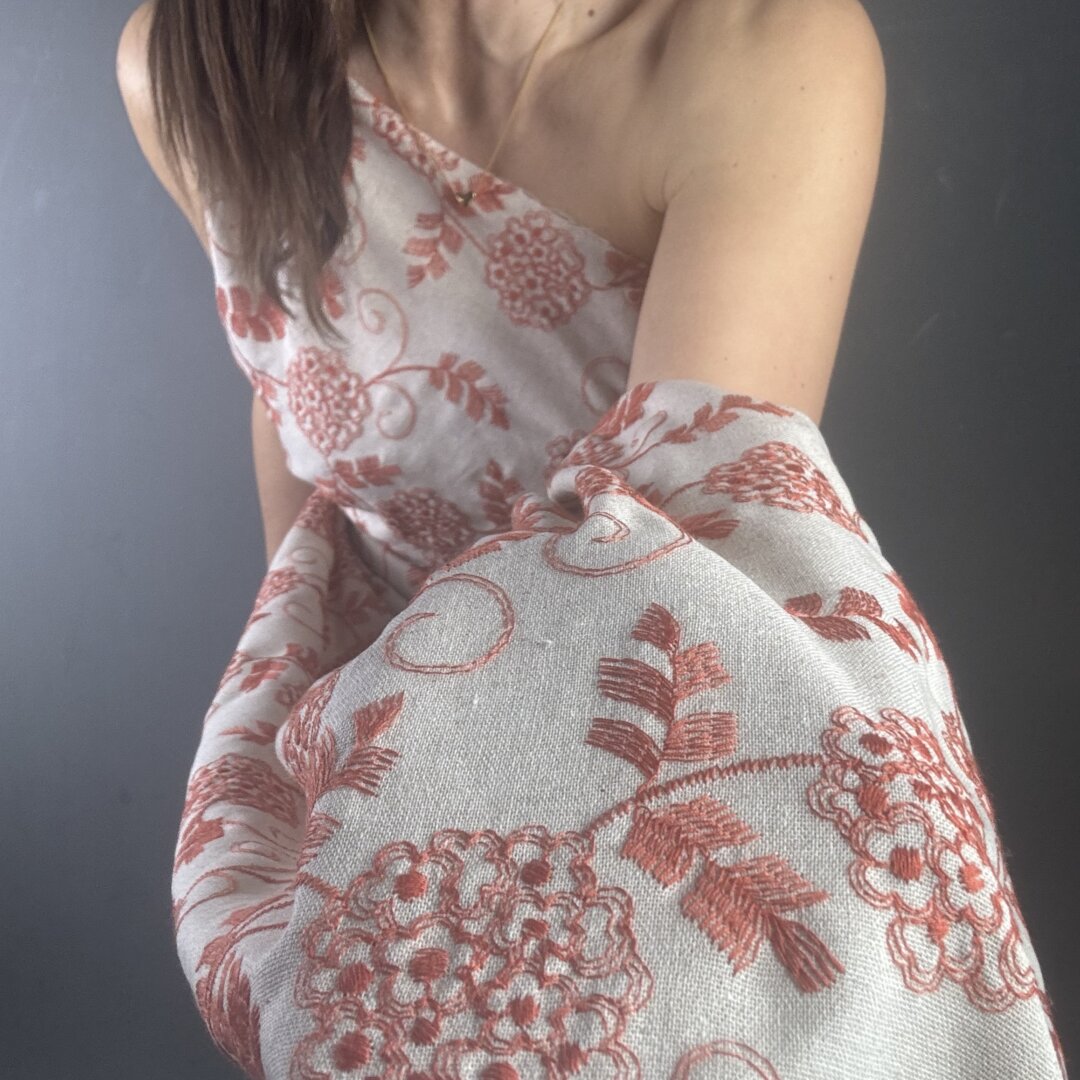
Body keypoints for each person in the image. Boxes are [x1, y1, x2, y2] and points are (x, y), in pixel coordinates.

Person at [117, 2, 1067, 1077]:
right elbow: (286, 357)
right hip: (375, 682)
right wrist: (312, 703)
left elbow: (681, 549)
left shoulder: (758, 48)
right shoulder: (194, 62)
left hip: (640, 686)